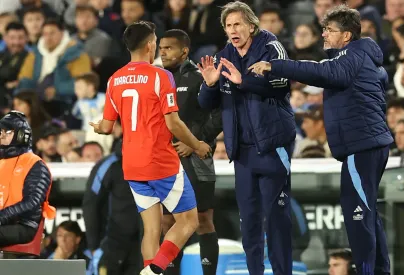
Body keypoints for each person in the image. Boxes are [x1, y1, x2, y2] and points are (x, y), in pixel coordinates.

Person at [250, 4, 393, 275]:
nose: (324, 34)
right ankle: (379, 270)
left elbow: (324, 72)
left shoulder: (351, 56)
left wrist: (275, 66)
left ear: (347, 36)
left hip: (361, 145)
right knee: (368, 213)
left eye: (329, 30)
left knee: (358, 216)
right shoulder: (363, 58)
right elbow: (375, 79)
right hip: (368, 144)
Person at [88, 21, 212, 275]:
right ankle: (155, 269)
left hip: (132, 165)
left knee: (152, 230)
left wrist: (98, 127)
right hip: (160, 162)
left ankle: (150, 269)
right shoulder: (161, 76)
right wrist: (197, 145)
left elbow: (108, 126)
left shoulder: (114, 80)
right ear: (150, 45)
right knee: (189, 221)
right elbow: (174, 123)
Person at [197, 2, 296, 274]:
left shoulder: (270, 47)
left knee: (277, 220)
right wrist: (209, 84)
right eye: (228, 26)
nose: (232, 30)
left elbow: (282, 84)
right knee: (249, 222)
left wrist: (244, 82)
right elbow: (207, 104)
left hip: (273, 147)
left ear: (251, 26)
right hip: (242, 152)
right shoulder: (223, 56)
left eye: (237, 24)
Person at [159, 29, 222, 275]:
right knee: (167, 222)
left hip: (197, 159)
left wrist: (195, 142)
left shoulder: (198, 77)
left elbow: (218, 115)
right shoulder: (158, 79)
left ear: (184, 51)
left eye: (169, 48)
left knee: (203, 220)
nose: (162, 52)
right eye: (160, 47)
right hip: (167, 160)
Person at [82, 139, 142, 275]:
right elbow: (90, 204)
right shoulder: (108, 165)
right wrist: (94, 245)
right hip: (111, 244)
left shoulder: (155, 161)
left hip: (142, 245)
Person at [0, 110, 56, 246]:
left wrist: (2, 216)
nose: (1, 136)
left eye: (6, 132)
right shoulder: (1, 161)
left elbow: (32, 201)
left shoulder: (35, 164)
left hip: (23, 225)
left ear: (21, 136)